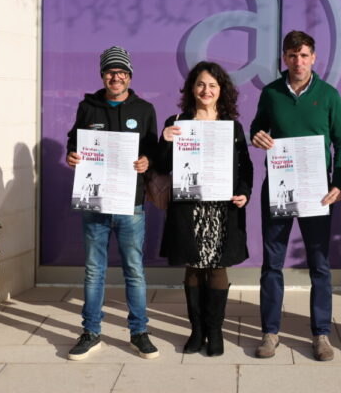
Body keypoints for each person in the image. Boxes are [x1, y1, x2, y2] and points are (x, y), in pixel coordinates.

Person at [250, 30, 341, 361]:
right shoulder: (271, 93)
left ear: (314, 58)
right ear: (284, 58)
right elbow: (257, 129)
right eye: (292, 56)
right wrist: (258, 138)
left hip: (316, 193)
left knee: (320, 265)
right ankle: (270, 332)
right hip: (278, 188)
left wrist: (338, 182)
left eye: (304, 55)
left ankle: (321, 335)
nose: (298, 61)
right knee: (272, 263)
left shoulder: (329, 95)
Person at [65, 46, 159, 360]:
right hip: (95, 203)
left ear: (129, 76)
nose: (115, 76)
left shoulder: (144, 109)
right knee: (94, 271)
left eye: (121, 72)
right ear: (103, 75)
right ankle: (91, 332)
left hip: (131, 204)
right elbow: (74, 141)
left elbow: (154, 150)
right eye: (110, 71)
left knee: (134, 270)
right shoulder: (87, 106)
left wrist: (147, 161)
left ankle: (139, 332)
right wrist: (72, 155)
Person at [156, 61, 253, 357]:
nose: (206, 90)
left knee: (217, 269)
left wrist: (244, 193)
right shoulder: (178, 122)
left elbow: (245, 167)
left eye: (212, 85)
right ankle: (196, 332)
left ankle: (215, 331)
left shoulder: (232, 127)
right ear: (192, 89)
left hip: (222, 209)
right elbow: (161, 167)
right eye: (200, 84)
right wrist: (164, 141)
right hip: (189, 209)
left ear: (221, 90)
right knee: (194, 268)